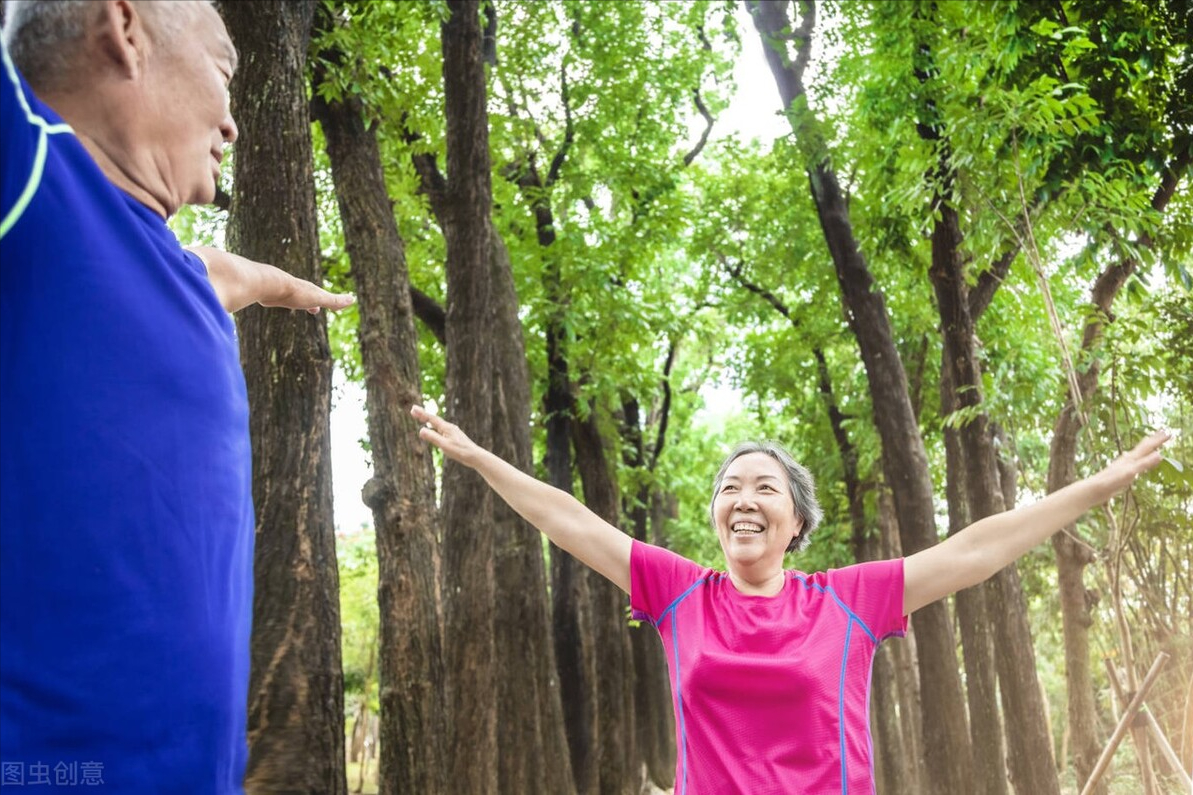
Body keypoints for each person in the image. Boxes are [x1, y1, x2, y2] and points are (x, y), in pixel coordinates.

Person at [410, 404, 1170, 793]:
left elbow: (976, 546)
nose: (743, 500)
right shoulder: (678, 594)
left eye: (763, 487)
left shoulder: (848, 600)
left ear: (795, 520)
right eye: (728, 487)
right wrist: (478, 457)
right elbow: (567, 519)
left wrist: (1098, 484)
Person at [1, 1, 352, 791]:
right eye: (224, 71)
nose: (233, 123)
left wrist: (271, 283)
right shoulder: (29, 175)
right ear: (123, 29)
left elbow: (216, 275)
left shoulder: (178, 269)